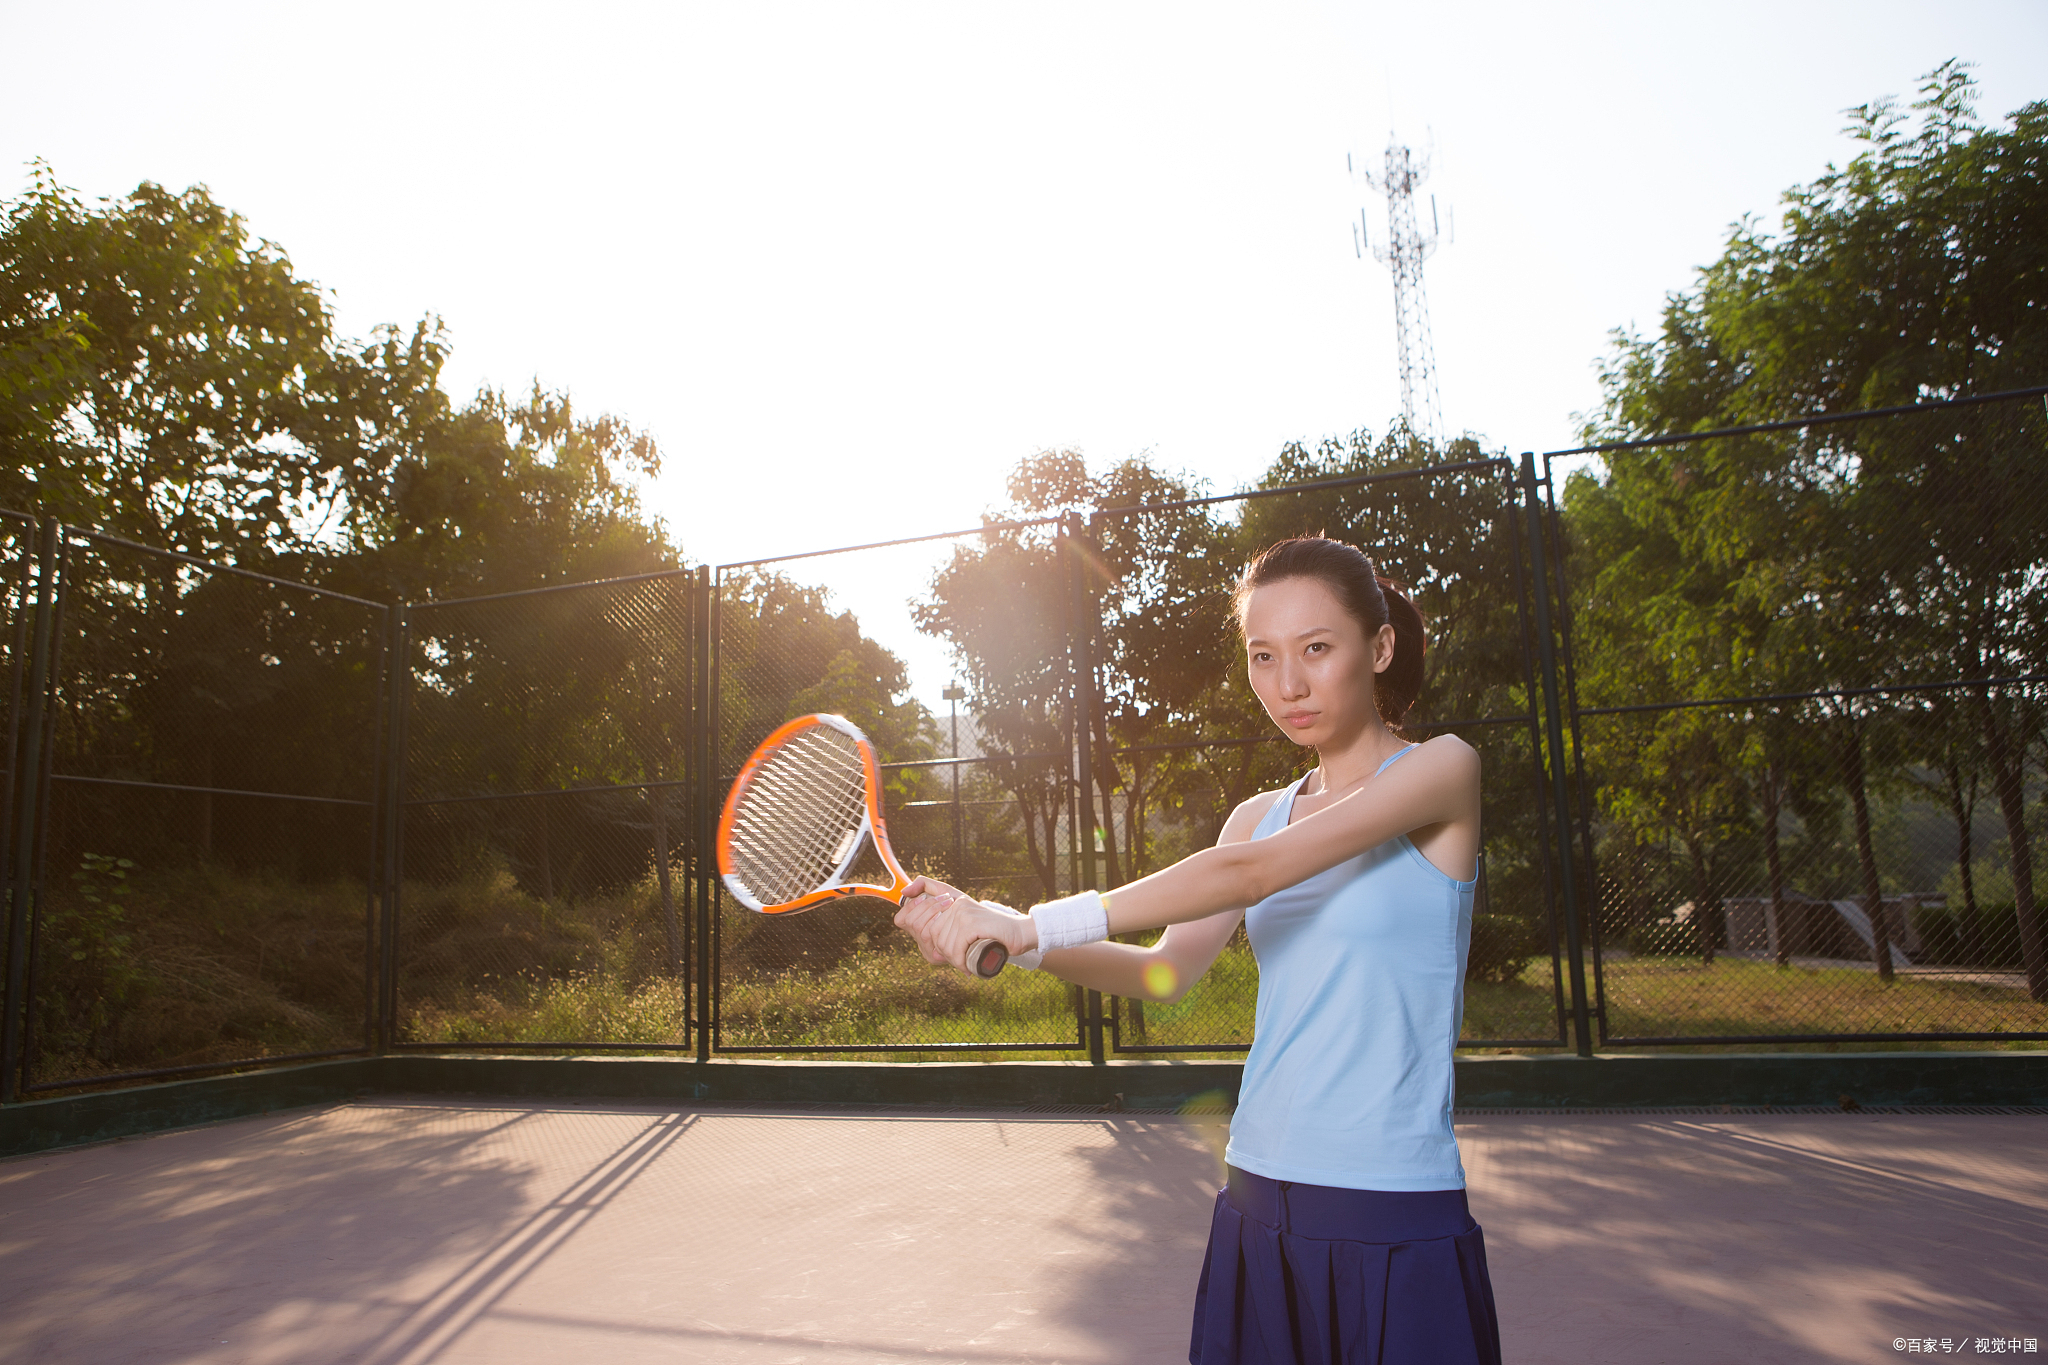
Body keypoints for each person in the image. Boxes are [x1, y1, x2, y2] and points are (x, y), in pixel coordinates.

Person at [893, 534, 1504, 1365]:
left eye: (1316, 649)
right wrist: (1014, 937)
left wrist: (1037, 920)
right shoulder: (1256, 812)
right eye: (1263, 656)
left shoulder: (1442, 772)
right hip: (1256, 1197)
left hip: (1393, 1210)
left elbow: (1250, 874)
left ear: (1380, 646)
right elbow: (1162, 971)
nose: (1287, 684)